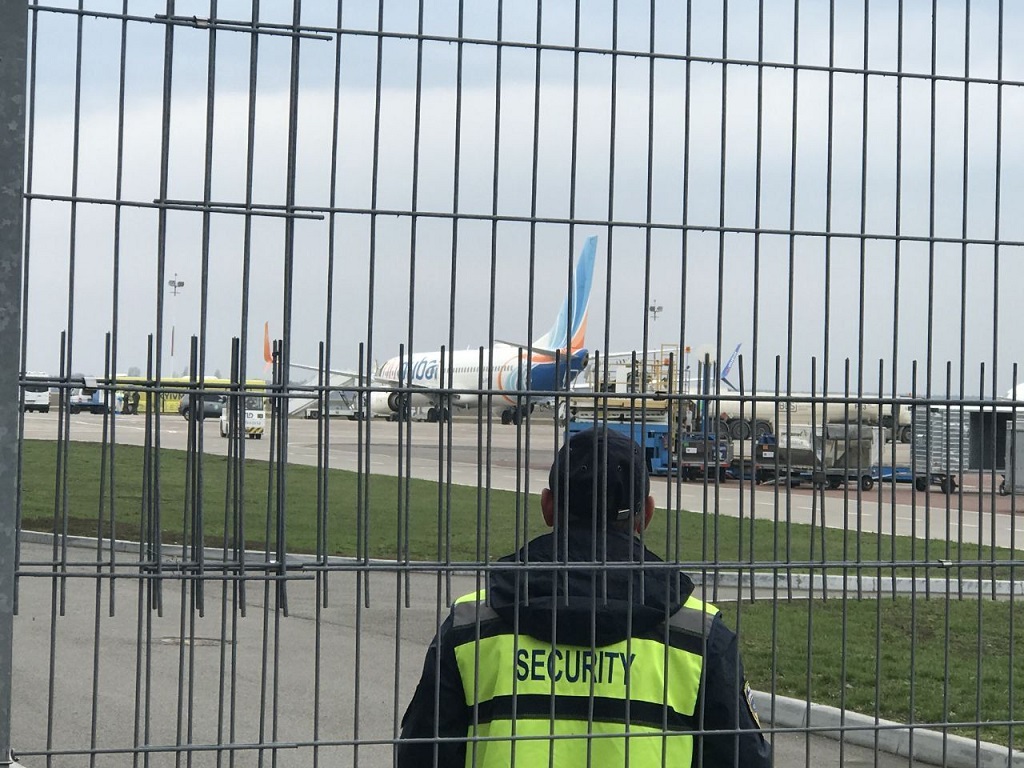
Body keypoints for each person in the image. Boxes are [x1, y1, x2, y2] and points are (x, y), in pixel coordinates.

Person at [398, 427, 771, 767]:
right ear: (646, 515)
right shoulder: (699, 636)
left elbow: (420, 755)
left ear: (547, 506)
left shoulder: (471, 627)